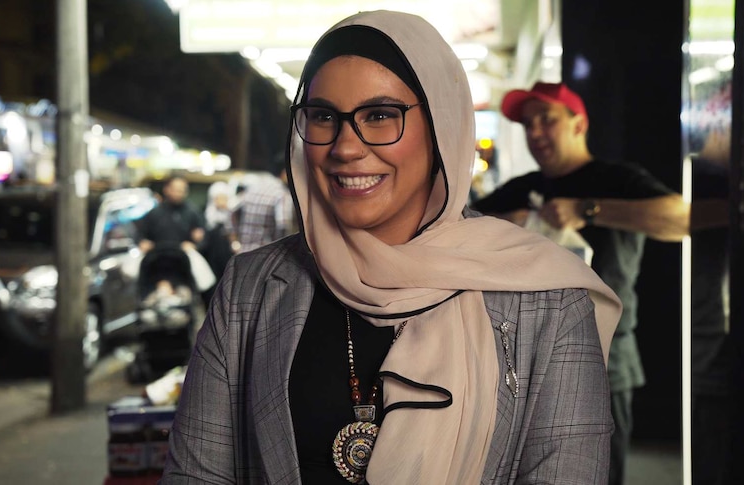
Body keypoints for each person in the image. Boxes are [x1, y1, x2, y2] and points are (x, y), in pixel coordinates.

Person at [161, 10, 621, 485]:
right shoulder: (251, 287)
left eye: (380, 115)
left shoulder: (549, 299)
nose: (345, 147)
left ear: (442, 125)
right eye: (322, 117)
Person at [471, 81, 690, 485]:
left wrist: (587, 210)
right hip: (522, 356)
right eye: (527, 124)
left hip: (605, 351)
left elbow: (680, 218)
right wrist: (501, 227)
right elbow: (454, 230)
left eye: (546, 120)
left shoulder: (617, 180)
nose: (535, 132)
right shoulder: (523, 191)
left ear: (578, 124)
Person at [137, 175, 216, 297]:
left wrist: (195, 244)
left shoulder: (193, 213)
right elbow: (141, 235)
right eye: (176, 189)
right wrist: (143, 243)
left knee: (205, 280)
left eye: (183, 190)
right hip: (156, 261)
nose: (180, 193)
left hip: (183, 262)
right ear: (166, 189)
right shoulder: (154, 213)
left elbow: (203, 239)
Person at [234, 154, 295, 252]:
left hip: (243, 253)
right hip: (266, 255)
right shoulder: (282, 194)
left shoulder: (254, 188)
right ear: (285, 173)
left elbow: (232, 210)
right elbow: (283, 225)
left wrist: (234, 241)